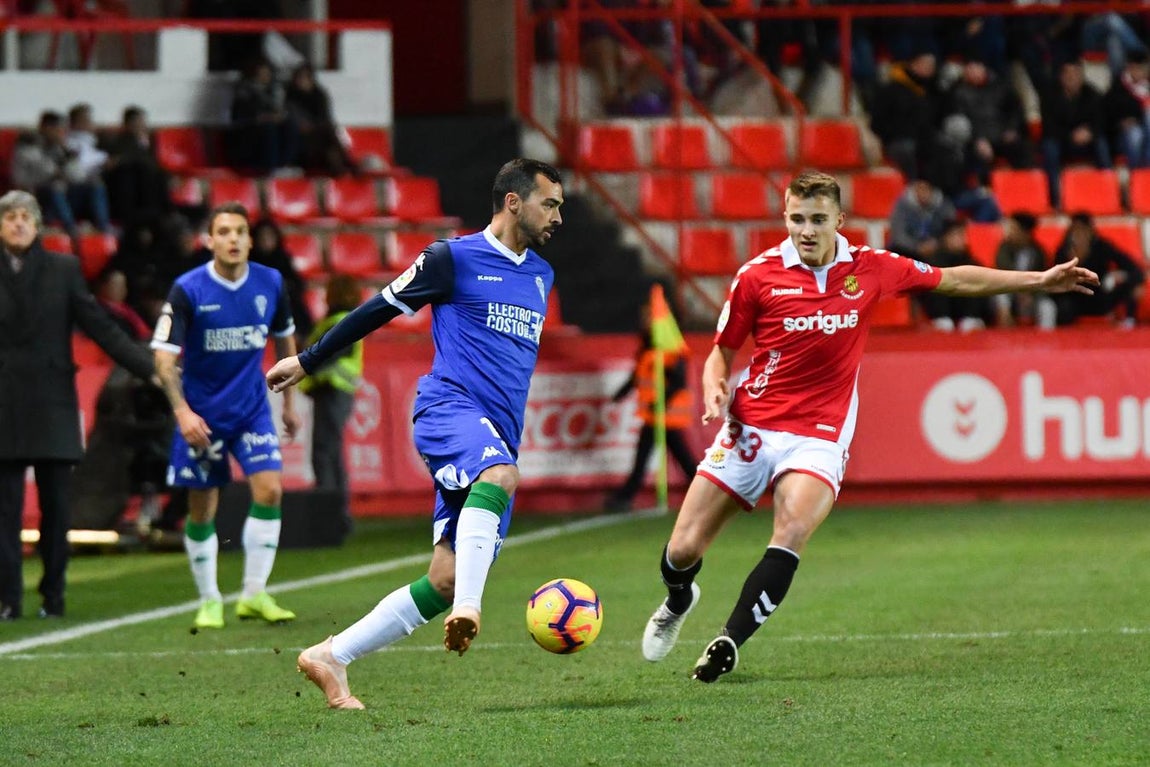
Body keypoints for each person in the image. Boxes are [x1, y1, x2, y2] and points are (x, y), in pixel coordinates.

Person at [639, 171, 1099, 683]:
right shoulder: (757, 276)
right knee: (682, 551)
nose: (806, 230)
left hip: (819, 433)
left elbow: (954, 278)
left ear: (840, 220)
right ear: (785, 218)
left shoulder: (871, 268)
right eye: (797, 219)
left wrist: (1037, 280)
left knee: (791, 527)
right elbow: (720, 353)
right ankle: (679, 598)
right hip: (752, 427)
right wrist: (715, 388)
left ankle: (728, 640)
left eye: (817, 219)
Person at [265, 158, 564, 709]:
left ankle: (330, 656)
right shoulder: (451, 258)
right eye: (551, 203)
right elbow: (378, 309)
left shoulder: (541, 276)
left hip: (496, 432)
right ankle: (470, 609)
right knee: (500, 476)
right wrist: (308, 362)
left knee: (444, 578)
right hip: (448, 410)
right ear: (514, 202)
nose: (559, 216)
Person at [0, 190, 154, 620]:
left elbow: (101, 327)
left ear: (37, 226)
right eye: (10, 217)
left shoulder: (63, 269)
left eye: (25, 217)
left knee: (57, 510)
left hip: (52, 404)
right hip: (4, 405)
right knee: (4, 512)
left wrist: (150, 368)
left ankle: (54, 597)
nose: (17, 224)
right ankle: (7, 599)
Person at [151, 201, 300, 630]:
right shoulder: (188, 289)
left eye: (240, 231)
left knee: (270, 490)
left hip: (252, 408)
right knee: (202, 509)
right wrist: (182, 413)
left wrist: (289, 402)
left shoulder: (271, 282)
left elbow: (285, 342)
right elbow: (163, 360)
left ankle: (253, 594)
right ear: (209, 240)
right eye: (224, 232)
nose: (233, 239)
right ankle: (210, 598)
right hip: (202, 415)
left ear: (250, 240)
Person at [605, 290, 697, 512]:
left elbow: (678, 383)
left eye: (648, 316)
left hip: (667, 414)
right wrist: (621, 393)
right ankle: (626, 495)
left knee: (668, 457)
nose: (644, 321)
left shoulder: (670, 348)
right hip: (654, 413)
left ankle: (625, 496)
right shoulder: (648, 347)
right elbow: (638, 376)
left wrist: (661, 403)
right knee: (675, 458)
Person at [298, 273, 364, 532]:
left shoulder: (338, 320)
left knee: (324, 453)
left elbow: (327, 354)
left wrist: (306, 366)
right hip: (337, 391)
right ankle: (337, 514)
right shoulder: (346, 318)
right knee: (332, 453)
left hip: (332, 390)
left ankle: (328, 515)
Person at [1049, 212, 1145, 327]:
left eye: (1083, 230)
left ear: (1090, 231)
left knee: (1132, 284)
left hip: (1099, 296)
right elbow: (1055, 276)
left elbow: (1134, 268)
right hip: (1072, 298)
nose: (1079, 235)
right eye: (1075, 230)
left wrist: (1121, 276)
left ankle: (1128, 322)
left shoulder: (1102, 247)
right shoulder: (1063, 250)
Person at [284, 63, 357, 177]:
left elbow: (326, 118)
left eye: (306, 77)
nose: (302, 81)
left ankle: (341, 169)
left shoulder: (319, 96)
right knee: (327, 132)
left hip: (321, 142)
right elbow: (297, 123)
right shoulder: (291, 98)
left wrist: (315, 127)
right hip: (304, 144)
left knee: (330, 151)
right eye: (300, 77)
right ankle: (348, 162)